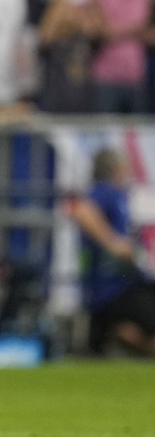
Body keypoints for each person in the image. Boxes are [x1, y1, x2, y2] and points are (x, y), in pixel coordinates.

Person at [67, 148, 155, 356]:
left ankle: (122, 334)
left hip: (131, 282)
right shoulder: (104, 191)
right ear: (116, 169)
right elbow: (81, 210)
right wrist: (113, 243)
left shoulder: (122, 196)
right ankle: (120, 333)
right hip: (113, 287)